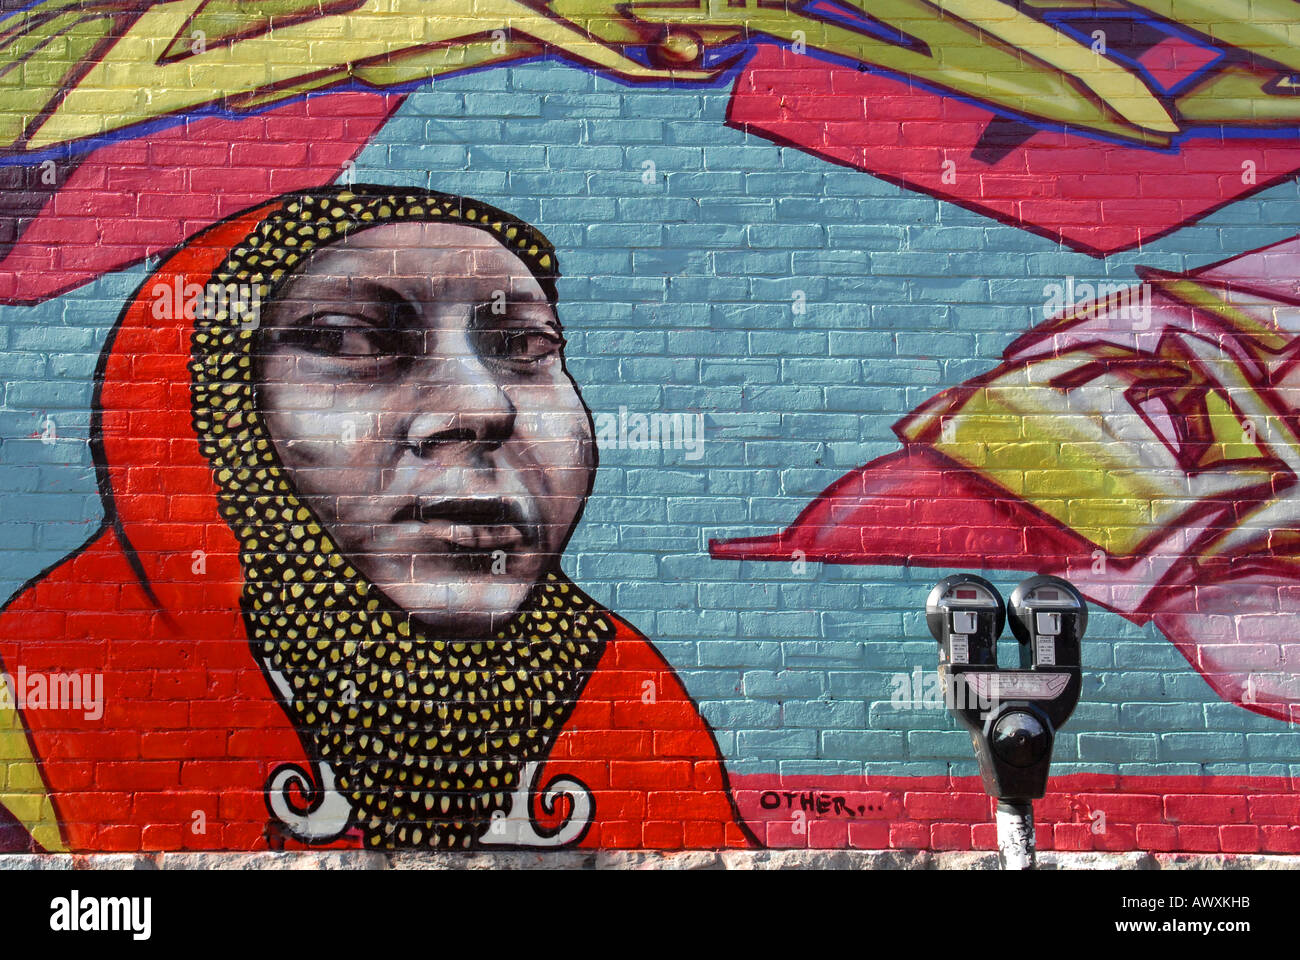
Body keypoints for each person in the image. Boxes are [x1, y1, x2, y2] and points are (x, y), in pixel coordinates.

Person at [0, 185, 753, 852]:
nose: (484, 408)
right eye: (349, 341)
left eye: (525, 346)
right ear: (206, 413)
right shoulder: (36, 716)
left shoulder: (616, 695)